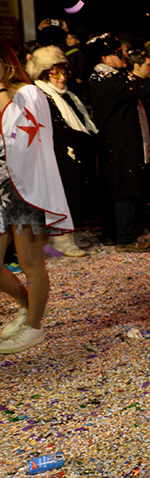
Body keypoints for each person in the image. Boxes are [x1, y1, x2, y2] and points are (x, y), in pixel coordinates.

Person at [0, 38, 73, 354]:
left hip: (25, 190)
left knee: (31, 264)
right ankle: (28, 307)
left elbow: (21, 141)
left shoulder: (26, 94)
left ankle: (34, 326)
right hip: (2, 189)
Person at [87, 32, 150, 252]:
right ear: (105, 59)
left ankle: (119, 235)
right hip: (120, 145)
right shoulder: (106, 80)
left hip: (124, 143)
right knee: (124, 190)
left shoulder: (114, 78)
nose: (123, 56)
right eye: (117, 53)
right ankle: (124, 238)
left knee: (127, 188)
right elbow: (145, 88)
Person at [25, 46, 99, 257]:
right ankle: (61, 239)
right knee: (63, 196)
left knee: (74, 195)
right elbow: (58, 130)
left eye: (64, 71)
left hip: (69, 154)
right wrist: (86, 141)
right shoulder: (40, 96)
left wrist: (89, 140)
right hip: (55, 155)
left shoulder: (66, 97)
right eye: (55, 72)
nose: (62, 77)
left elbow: (80, 123)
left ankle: (69, 235)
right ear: (44, 73)